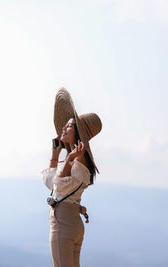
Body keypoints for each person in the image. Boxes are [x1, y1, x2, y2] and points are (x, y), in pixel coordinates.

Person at [41, 88, 102, 267]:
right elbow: (51, 183)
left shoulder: (77, 162)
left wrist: (67, 159)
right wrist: (55, 154)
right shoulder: (78, 160)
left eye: (69, 126)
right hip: (71, 220)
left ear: (78, 133)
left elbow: (58, 186)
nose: (64, 127)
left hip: (63, 222)